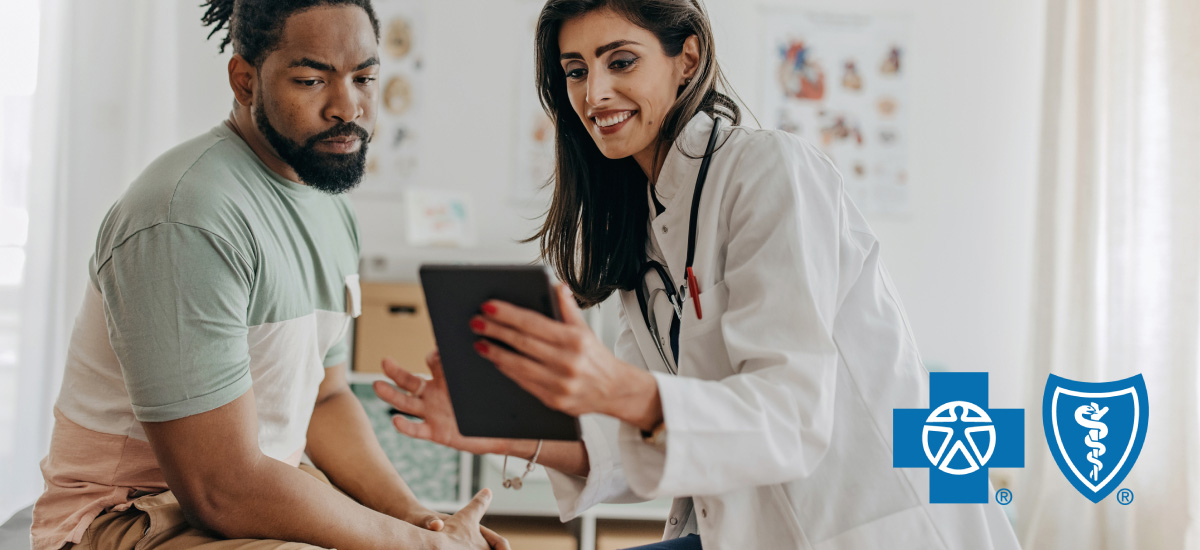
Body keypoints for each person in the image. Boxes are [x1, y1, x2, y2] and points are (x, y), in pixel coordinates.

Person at [373, 0, 1021, 549]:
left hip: (872, 526)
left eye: (620, 61)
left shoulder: (770, 172)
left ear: (687, 58)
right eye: (575, 71)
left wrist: (612, 386)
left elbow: (789, 414)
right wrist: (515, 434)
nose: (594, 94)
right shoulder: (645, 221)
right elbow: (649, 441)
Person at [29, 1, 505, 549]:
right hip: (131, 514)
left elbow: (324, 401)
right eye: (310, 80)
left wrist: (419, 520)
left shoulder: (328, 207)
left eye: (366, 78)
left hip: (263, 480)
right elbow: (221, 488)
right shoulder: (188, 218)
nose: (346, 107)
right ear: (245, 81)